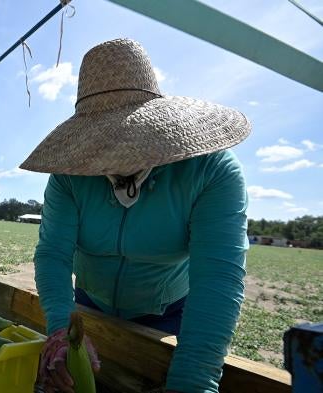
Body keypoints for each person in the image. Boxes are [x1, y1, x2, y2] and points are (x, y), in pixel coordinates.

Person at [19, 38, 250, 393]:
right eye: (101, 139)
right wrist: (62, 331)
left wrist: (192, 382)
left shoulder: (211, 170)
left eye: (128, 135)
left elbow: (218, 279)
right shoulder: (68, 176)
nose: (114, 151)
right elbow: (53, 254)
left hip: (169, 315)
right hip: (87, 307)